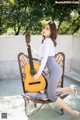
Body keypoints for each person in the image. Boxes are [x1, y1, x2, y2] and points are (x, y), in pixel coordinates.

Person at [26, 20, 80, 117]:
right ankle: (69, 89)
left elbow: (45, 58)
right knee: (48, 90)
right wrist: (32, 49)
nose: (44, 30)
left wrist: (39, 73)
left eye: (47, 29)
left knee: (51, 95)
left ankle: (73, 113)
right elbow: (40, 55)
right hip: (53, 70)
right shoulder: (45, 41)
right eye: (44, 27)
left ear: (52, 32)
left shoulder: (48, 41)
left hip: (55, 70)